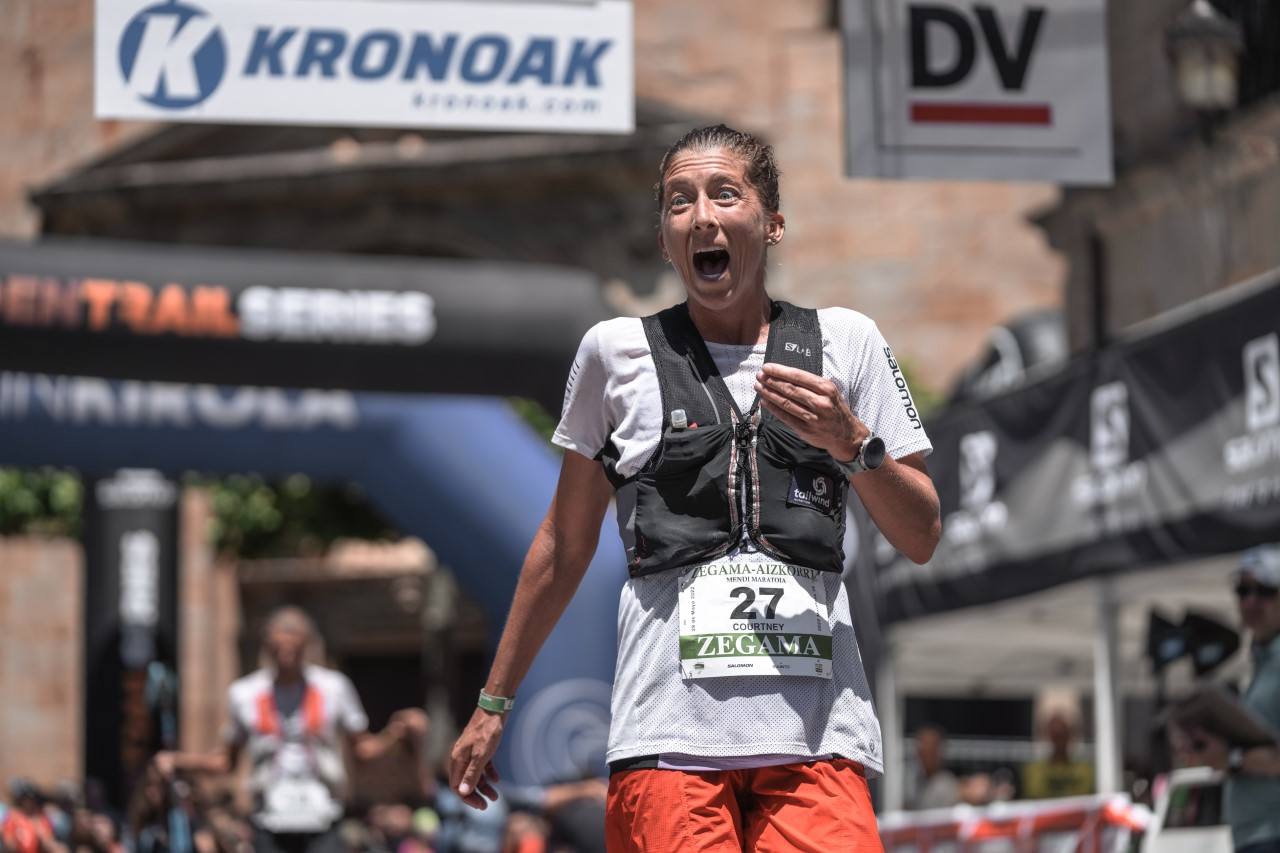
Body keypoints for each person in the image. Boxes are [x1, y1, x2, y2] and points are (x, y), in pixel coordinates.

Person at [449, 124, 941, 851]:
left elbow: (923, 534)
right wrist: (493, 702)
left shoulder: (848, 341)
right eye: (680, 202)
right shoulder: (613, 353)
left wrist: (853, 444)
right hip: (668, 741)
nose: (702, 215)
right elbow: (564, 543)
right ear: (663, 240)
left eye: (725, 194)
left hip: (818, 741)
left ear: (772, 224)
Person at [154, 607, 428, 853]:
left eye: (294, 648)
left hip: (323, 817)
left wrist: (397, 731)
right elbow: (226, 761)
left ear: (307, 645)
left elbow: (362, 750)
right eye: (278, 648)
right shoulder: (245, 693)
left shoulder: (334, 688)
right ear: (267, 647)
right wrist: (178, 761)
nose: (286, 655)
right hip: (268, 819)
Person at [1178, 545, 1280, 853]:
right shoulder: (1262, 663)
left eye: (1264, 590)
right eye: (1242, 590)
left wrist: (1232, 759)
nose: (1250, 601)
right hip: (1255, 834)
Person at [1020, 711, 1094, 800]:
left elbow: (1084, 794)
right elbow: (1035, 794)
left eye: (1063, 735)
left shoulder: (1084, 770)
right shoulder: (1034, 770)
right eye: (1056, 736)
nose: (1059, 741)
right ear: (1049, 736)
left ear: (1069, 736)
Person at [904, 726, 960, 810]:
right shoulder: (913, 781)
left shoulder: (947, 784)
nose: (924, 756)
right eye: (921, 751)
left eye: (930, 752)